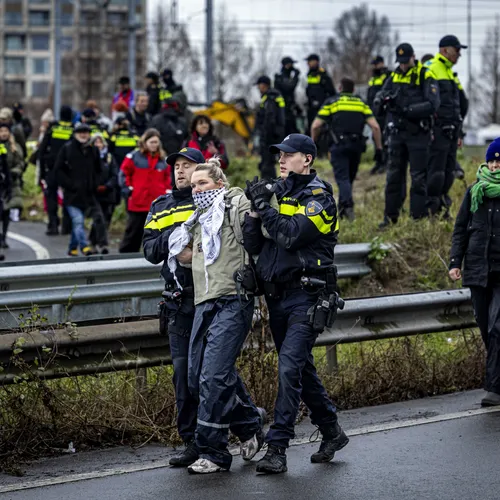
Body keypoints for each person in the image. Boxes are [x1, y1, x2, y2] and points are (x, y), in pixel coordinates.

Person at [244, 134, 347, 474]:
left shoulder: (319, 196)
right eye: (279, 155)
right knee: (300, 368)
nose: (281, 160)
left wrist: (264, 209)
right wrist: (254, 212)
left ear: (307, 159)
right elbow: (253, 241)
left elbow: (290, 235)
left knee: (289, 367)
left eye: (288, 155)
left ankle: (277, 448)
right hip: (276, 296)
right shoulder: (278, 194)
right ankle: (331, 430)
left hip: (307, 294)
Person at [166, 158, 264, 474]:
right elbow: (175, 254)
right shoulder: (196, 221)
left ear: (218, 184)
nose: (197, 190)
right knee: (198, 376)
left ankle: (215, 452)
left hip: (233, 299)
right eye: (193, 185)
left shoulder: (232, 204)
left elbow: (251, 229)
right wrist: (180, 254)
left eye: (203, 183)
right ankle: (249, 422)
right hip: (204, 302)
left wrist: (237, 196)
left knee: (212, 375)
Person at [143, 147, 203, 467]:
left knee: (208, 374)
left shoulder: (209, 200)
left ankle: (245, 421)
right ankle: (191, 440)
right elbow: (150, 250)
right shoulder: (160, 205)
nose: (180, 171)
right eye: (176, 166)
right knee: (182, 373)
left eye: (187, 165)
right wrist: (176, 238)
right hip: (178, 304)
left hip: (209, 299)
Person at [449, 138, 500, 407]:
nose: (493, 165)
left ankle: (494, 388)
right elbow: (460, 229)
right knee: (483, 324)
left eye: (498, 161)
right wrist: (455, 262)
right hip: (478, 269)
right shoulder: (475, 191)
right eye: (491, 160)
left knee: (497, 327)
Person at [374, 43, 440, 228]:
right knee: (393, 177)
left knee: (418, 178)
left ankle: (417, 219)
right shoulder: (393, 76)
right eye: (400, 62)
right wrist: (380, 100)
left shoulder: (424, 75)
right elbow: (382, 94)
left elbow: (433, 104)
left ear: (413, 57)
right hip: (397, 134)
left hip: (418, 134)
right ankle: (390, 217)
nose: (403, 65)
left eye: (406, 61)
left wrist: (408, 110)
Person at [311, 77, 382, 221]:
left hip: (338, 146)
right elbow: (375, 127)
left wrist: (313, 144)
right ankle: (343, 208)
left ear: (340, 88)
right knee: (349, 178)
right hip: (357, 147)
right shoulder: (360, 103)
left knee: (343, 179)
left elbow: (315, 126)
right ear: (353, 89)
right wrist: (379, 148)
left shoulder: (332, 102)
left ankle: (348, 208)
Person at [425, 35, 469, 218]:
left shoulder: (450, 72)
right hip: (437, 129)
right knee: (437, 172)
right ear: (445, 50)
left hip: (452, 130)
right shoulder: (431, 69)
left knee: (449, 171)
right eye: (456, 50)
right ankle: (431, 209)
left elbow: (462, 102)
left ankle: (444, 207)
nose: (459, 54)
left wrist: (459, 128)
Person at [55, 123, 108, 256]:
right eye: (81, 132)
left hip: (89, 195)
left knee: (90, 219)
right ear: (75, 134)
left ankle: (73, 248)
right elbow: (58, 170)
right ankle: (84, 246)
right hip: (72, 195)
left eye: (86, 132)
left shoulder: (93, 150)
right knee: (78, 220)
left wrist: (95, 183)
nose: (84, 135)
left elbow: (99, 169)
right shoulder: (67, 149)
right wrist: (70, 184)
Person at [119, 128, 171, 253]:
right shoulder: (133, 157)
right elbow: (123, 174)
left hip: (157, 204)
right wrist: (128, 190)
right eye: (151, 142)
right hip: (138, 202)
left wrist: (167, 193)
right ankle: (125, 258)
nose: (154, 145)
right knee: (133, 232)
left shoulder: (163, 160)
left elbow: (168, 178)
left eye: (156, 142)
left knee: (156, 233)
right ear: (145, 142)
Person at [38, 105, 74, 235]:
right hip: (67, 169)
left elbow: (42, 150)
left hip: (52, 168)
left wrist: (42, 171)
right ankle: (66, 226)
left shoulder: (53, 128)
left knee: (51, 196)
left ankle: (53, 225)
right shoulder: (73, 129)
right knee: (68, 197)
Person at [89, 134, 118, 253]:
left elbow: (114, 175)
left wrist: (107, 186)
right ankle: (103, 244)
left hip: (107, 193)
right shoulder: (88, 158)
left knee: (104, 219)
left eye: (99, 142)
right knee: (98, 217)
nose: (98, 145)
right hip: (93, 194)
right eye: (95, 143)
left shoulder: (110, 157)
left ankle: (92, 241)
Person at [255, 75, 286, 180]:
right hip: (275, 134)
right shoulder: (274, 96)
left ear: (264, 85)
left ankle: (268, 187)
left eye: (259, 85)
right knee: (268, 164)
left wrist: (264, 137)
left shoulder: (270, 97)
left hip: (269, 136)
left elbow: (269, 119)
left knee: (267, 165)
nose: (258, 88)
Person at [305, 53, 336, 157]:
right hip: (311, 108)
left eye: (310, 61)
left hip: (322, 108)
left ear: (316, 62)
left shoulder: (323, 75)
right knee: (311, 128)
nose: (308, 64)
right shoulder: (309, 75)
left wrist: (324, 103)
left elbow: (331, 92)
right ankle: (314, 151)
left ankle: (322, 152)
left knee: (322, 130)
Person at [367, 56, 390, 175]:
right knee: (376, 138)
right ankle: (379, 162)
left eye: (376, 64)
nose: (374, 67)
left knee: (385, 138)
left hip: (384, 113)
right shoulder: (373, 78)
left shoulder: (387, 76)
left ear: (381, 63)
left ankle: (386, 163)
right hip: (374, 113)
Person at [0, 124, 18, 249]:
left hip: (9, 182)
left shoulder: (13, 147)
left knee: (6, 211)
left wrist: (15, 172)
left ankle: (4, 237)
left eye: (6, 131)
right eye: (1, 131)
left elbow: (19, 162)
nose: (4, 133)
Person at [274, 57, 302, 135]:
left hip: (290, 110)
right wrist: (296, 76)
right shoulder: (280, 78)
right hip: (283, 112)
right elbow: (289, 87)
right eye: (291, 65)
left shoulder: (288, 77)